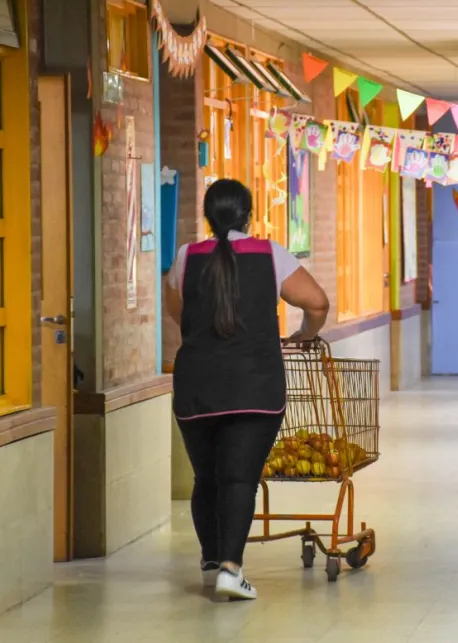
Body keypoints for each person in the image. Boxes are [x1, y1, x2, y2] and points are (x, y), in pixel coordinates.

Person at [165, 179, 329, 600]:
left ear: (207, 215)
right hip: (255, 386)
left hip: (197, 384)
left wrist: (208, 335)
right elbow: (317, 303)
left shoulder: (186, 257)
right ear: (248, 215)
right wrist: (306, 334)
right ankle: (231, 569)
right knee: (239, 479)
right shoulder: (269, 254)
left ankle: (211, 562)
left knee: (207, 478)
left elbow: (179, 312)